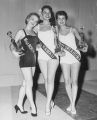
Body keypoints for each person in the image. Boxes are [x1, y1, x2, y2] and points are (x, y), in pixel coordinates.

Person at [55, 11, 88, 115]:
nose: (61, 20)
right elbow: (56, 47)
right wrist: (59, 52)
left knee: (74, 81)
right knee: (67, 81)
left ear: (66, 19)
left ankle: (72, 104)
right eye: (59, 18)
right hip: (64, 59)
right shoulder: (56, 32)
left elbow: (81, 42)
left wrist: (84, 47)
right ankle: (72, 102)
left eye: (63, 18)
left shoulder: (72, 29)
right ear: (56, 20)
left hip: (75, 57)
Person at [11, 12, 40, 117]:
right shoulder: (21, 32)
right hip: (25, 60)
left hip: (33, 60)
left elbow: (35, 47)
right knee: (30, 84)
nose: (34, 22)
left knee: (25, 83)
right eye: (32, 19)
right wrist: (15, 53)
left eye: (36, 21)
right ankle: (33, 106)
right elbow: (12, 44)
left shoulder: (34, 32)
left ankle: (19, 104)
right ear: (27, 19)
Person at [36, 5, 59, 115]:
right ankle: (51, 100)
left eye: (49, 12)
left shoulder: (54, 26)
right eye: (45, 12)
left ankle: (47, 104)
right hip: (41, 56)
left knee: (50, 79)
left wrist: (55, 36)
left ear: (51, 14)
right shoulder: (37, 27)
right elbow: (32, 39)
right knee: (46, 79)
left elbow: (57, 43)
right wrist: (36, 46)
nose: (47, 14)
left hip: (53, 56)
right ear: (42, 14)